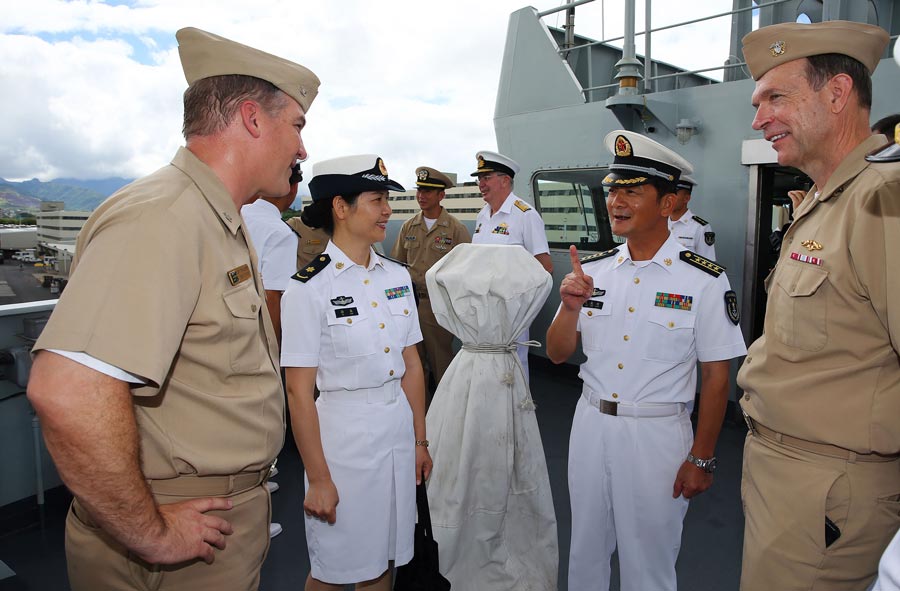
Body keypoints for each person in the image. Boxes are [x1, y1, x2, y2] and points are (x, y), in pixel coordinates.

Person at [25, 27, 319, 590]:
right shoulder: (164, 217)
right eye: (297, 126)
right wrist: (151, 533)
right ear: (253, 119)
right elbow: (66, 390)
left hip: (217, 519)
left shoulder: (217, 221)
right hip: (177, 539)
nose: (302, 148)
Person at [546, 130, 747, 591]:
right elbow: (557, 354)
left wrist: (703, 457)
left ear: (667, 203)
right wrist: (570, 306)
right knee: (585, 555)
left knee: (649, 566)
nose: (616, 200)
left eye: (632, 191)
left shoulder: (704, 280)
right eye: (613, 189)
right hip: (591, 427)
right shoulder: (590, 273)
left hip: (657, 436)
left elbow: (718, 377)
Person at [738, 20, 900, 591]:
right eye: (757, 103)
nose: (758, 119)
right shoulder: (826, 201)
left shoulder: (884, 199)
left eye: (775, 97)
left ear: (837, 94)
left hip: (830, 490)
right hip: (789, 479)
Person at [280, 154, 433, 591]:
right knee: (334, 570)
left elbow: (411, 367)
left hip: (397, 434)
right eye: (377, 199)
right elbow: (298, 392)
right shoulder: (308, 288)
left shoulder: (397, 277)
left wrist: (420, 440)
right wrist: (320, 478)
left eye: (387, 200)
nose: (387, 210)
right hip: (342, 444)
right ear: (340, 207)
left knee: (385, 562)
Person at [471, 150, 551, 377]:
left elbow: (545, 268)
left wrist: (522, 305)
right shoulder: (482, 217)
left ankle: (518, 412)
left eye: (486, 178)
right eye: (479, 179)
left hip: (511, 312)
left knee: (513, 370)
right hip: (482, 308)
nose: (481, 184)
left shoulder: (525, 215)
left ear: (505, 180)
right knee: (486, 371)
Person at [389, 166, 471, 391]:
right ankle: (420, 418)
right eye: (419, 191)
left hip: (439, 306)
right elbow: (398, 266)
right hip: (411, 305)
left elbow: (465, 273)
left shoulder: (456, 229)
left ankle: (446, 419)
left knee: (441, 363)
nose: (421, 196)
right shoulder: (409, 226)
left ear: (441, 195)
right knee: (414, 365)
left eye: (428, 191)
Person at [668, 174, 717, 260]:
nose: (669, 198)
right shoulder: (658, 222)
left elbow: (707, 264)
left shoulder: (700, 227)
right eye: (668, 193)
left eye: (675, 194)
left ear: (686, 198)